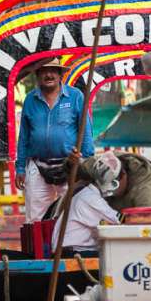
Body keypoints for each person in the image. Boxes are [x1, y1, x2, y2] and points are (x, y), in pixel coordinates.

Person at [15, 59, 95, 223]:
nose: (49, 74)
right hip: (38, 164)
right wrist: (20, 168)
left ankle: (69, 249)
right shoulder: (30, 100)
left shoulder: (75, 96)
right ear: (37, 75)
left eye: (53, 70)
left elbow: (85, 130)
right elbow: (24, 136)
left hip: (70, 164)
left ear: (60, 75)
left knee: (73, 214)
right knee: (35, 218)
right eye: (44, 70)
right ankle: (37, 249)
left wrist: (86, 162)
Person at [81, 150, 151, 218]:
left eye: (113, 188)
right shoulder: (101, 164)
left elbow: (143, 223)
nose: (112, 193)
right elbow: (80, 166)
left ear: (123, 175)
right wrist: (71, 163)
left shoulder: (144, 186)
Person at [51, 183, 120, 258]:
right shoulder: (90, 197)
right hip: (71, 253)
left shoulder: (85, 194)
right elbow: (117, 219)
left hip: (71, 250)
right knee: (117, 257)